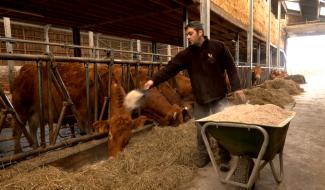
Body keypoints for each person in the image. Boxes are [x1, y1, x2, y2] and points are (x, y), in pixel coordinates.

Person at [143, 21, 246, 169]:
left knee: (222, 127)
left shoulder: (218, 47)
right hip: (201, 98)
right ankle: (204, 156)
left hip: (219, 96)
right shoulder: (187, 54)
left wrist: (237, 87)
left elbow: (231, 67)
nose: (188, 37)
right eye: (187, 35)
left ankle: (224, 157)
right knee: (201, 129)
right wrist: (153, 81)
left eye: (190, 34)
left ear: (200, 33)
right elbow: (170, 68)